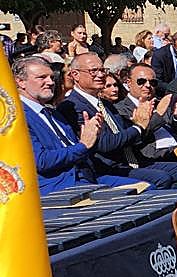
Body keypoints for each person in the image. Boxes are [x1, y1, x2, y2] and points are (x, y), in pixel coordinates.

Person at [12, 56, 142, 193]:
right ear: (21, 82)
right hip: (59, 188)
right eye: (42, 77)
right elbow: (41, 161)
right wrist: (83, 145)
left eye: (51, 77)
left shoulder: (53, 113)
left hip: (88, 179)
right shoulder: (18, 117)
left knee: (146, 188)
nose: (50, 82)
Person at [58, 52, 177, 189]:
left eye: (102, 70)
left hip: (132, 160)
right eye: (93, 71)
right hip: (108, 168)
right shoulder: (73, 106)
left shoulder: (105, 104)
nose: (101, 75)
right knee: (161, 179)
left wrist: (137, 121)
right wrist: (138, 126)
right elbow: (105, 144)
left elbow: (124, 131)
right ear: (75, 75)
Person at [118, 63, 177, 163]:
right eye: (141, 81)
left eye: (153, 82)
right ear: (129, 82)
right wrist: (158, 114)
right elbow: (135, 136)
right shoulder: (121, 109)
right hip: (155, 155)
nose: (148, 85)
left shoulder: (160, 102)